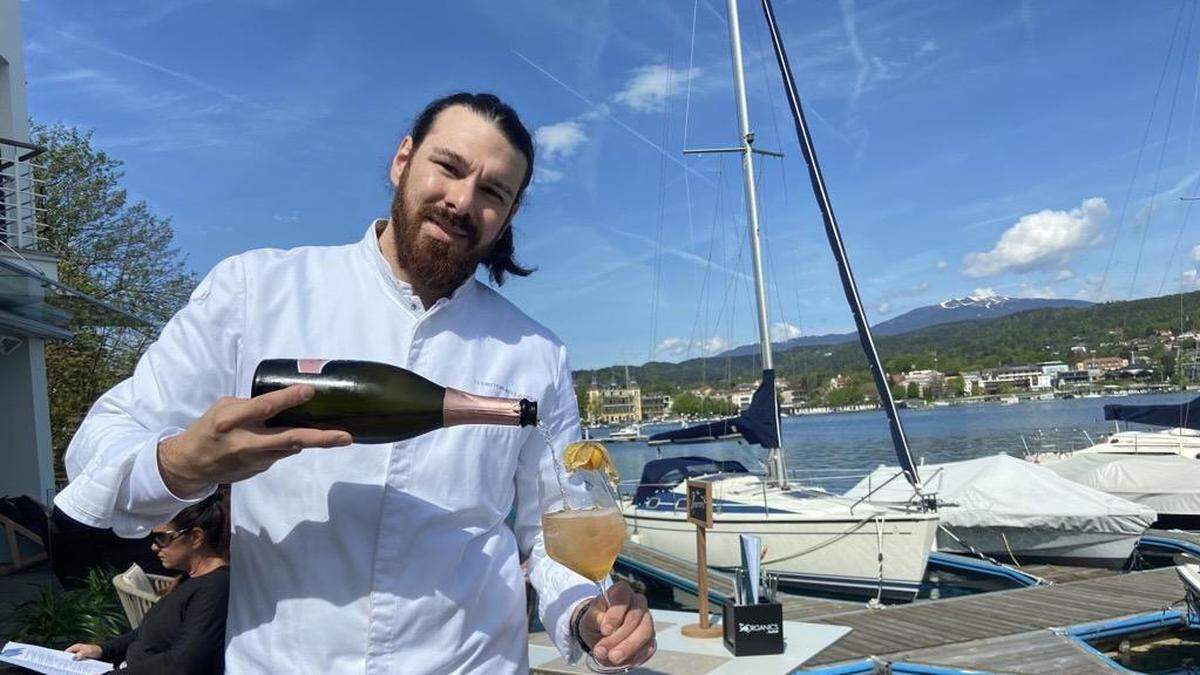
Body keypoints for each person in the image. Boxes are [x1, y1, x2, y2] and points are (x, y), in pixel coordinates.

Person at [55, 92, 656, 673]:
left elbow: (556, 527)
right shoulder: (255, 293)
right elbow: (101, 444)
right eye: (447, 167)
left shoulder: (536, 353)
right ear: (403, 160)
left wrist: (584, 614)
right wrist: (179, 464)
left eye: (493, 191)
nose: (461, 200)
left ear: (508, 216)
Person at [66, 493, 230, 674]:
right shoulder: (188, 579)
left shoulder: (216, 588)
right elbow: (148, 634)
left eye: (162, 538)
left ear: (196, 537)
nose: (153, 547)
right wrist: (103, 650)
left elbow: (183, 663)